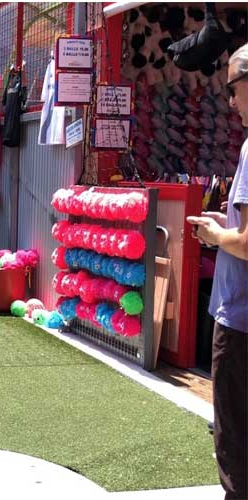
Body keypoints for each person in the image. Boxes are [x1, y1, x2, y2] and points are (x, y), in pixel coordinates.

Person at [187, 42, 248, 500]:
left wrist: (214, 236)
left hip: (241, 318)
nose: (229, 101)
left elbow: (246, 243)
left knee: (235, 444)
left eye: (232, 88)